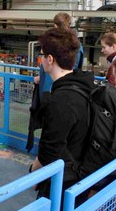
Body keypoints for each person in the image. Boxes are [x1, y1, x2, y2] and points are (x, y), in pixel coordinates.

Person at [29, 28, 94, 203]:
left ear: (50, 59)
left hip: (65, 181)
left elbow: (48, 153)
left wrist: (32, 173)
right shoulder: (86, 85)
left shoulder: (61, 100)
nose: (41, 59)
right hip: (83, 175)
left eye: (42, 55)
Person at [33, 12, 84, 96]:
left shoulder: (51, 44)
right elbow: (75, 69)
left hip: (50, 90)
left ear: (55, 26)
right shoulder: (77, 45)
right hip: (66, 90)